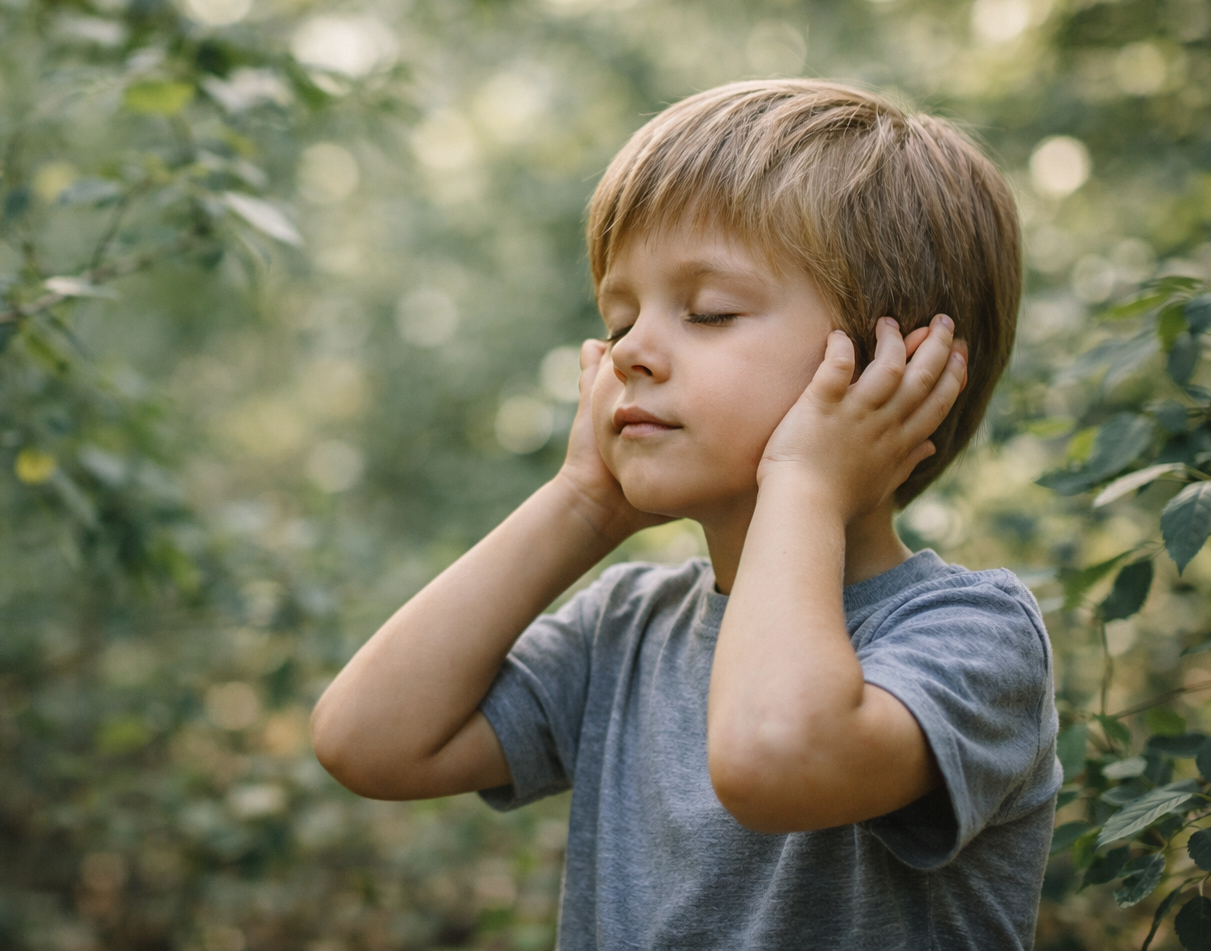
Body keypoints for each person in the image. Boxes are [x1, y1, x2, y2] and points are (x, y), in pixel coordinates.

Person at [310, 79, 1058, 949]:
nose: (630, 351)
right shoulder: (628, 630)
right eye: (618, 319)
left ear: (898, 366)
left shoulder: (970, 634)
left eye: (708, 313)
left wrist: (805, 484)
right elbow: (368, 742)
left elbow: (772, 758)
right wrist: (583, 504)